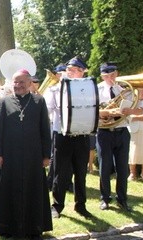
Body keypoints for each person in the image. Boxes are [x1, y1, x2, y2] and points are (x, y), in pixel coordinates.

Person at [0, 70, 52, 240]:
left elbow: (44, 130)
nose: (17, 85)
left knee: (33, 192)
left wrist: (46, 155)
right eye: (15, 82)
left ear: (30, 82)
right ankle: (7, 228)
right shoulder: (4, 102)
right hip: (10, 156)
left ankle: (35, 230)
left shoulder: (39, 101)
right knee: (9, 190)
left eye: (21, 82)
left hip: (33, 156)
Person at [45, 56, 93, 219]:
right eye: (70, 70)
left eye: (76, 70)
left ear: (82, 73)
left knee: (81, 173)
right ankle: (57, 206)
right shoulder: (55, 89)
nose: (72, 73)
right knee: (60, 172)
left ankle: (81, 205)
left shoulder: (88, 89)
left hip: (82, 135)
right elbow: (47, 111)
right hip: (62, 135)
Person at [96, 62, 142, 212]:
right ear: (102, 76)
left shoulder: (127, 90)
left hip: (122, 132)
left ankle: (122, 199)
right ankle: (105, 199)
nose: (110, 78)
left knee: (123, 168)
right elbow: (93, 111)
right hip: (104, 132)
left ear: (117, 73)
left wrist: (130, 111)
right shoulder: (97, 90)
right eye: (107, 75)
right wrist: (108, 113)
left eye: (113, 74)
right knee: (104, 167)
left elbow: (140, 110)